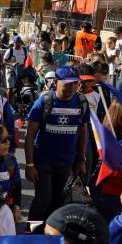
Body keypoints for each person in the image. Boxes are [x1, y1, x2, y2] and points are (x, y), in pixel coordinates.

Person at [25, 66, 89, 224]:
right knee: (43, 199)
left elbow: (83, 132)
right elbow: (30, 134)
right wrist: (29, 164)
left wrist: (81, 160)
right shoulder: (44, 101)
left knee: (57, 201)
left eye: (75, 83)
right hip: (43, 161)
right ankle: (31, 233)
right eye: (67, 83)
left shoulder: (81, 102)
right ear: (56, 83)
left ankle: (51, 233)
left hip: (66, 163)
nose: (72, 87)